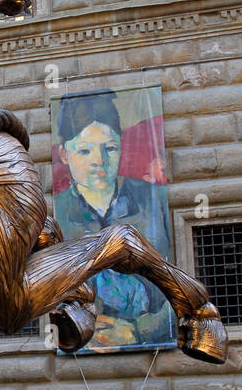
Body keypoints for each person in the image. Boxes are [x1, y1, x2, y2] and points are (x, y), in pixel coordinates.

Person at [54, 95, 172, 347]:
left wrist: (140, 331)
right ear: (64, 154)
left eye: (110, 148)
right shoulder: (55, 214)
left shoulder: (155, 201)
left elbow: (182, 288)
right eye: (84, 150)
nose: (99, 161)